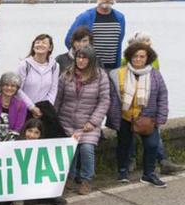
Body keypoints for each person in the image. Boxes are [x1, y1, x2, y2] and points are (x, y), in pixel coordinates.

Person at [107, 42, 169, 188]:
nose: (138, 59)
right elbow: (111, 96)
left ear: (148, 58)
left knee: (152, 145)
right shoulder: (118, 73)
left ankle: (148, 174)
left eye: (142, 56)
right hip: (124, 116)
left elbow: (163, 95)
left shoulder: (155, 75)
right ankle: (122, 171)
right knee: (124, 144)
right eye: (135, 56)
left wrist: (161, 117)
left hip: (147, 117)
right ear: (130, 57)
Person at [122, 33, 181, 175]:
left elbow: (159, 86)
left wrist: (160, 114)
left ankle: (161, 161)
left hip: (148, 108)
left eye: (149, 40)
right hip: (130, 108)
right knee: (127, 136)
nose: (149, 42)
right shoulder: (125, 61)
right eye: (145, 40)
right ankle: (131, 161)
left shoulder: (153, 59)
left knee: (154, 136)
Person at [54, 46, 110, 195]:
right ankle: (69, 177)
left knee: (86, 148)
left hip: (88, 124)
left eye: (84, 58)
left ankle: (86, 179)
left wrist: (93, 122)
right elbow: (58, 99)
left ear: (91, 60)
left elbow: (104, 101)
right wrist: (55, 120)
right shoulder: (66, 75)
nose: (81, 60)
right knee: (70, 149)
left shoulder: (101, 76)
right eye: (79, 57)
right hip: (67, 122)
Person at [65, 0, 126, 71]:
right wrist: (81, 57)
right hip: (91, 68)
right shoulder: (85, 17)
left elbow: (119, 40)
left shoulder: (120, 17)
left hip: (113, 67)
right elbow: (69, 40)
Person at [17, 34, 60, 119]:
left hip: (44, 110)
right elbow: (18, 89)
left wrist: (46, 107)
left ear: (50, 48)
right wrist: (32, 107)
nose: (40, 44)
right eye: (37, 42)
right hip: (25, 109)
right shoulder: (24, 65)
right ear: (33, 47)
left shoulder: (55, 66)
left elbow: (53, 89)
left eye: (44, 43)